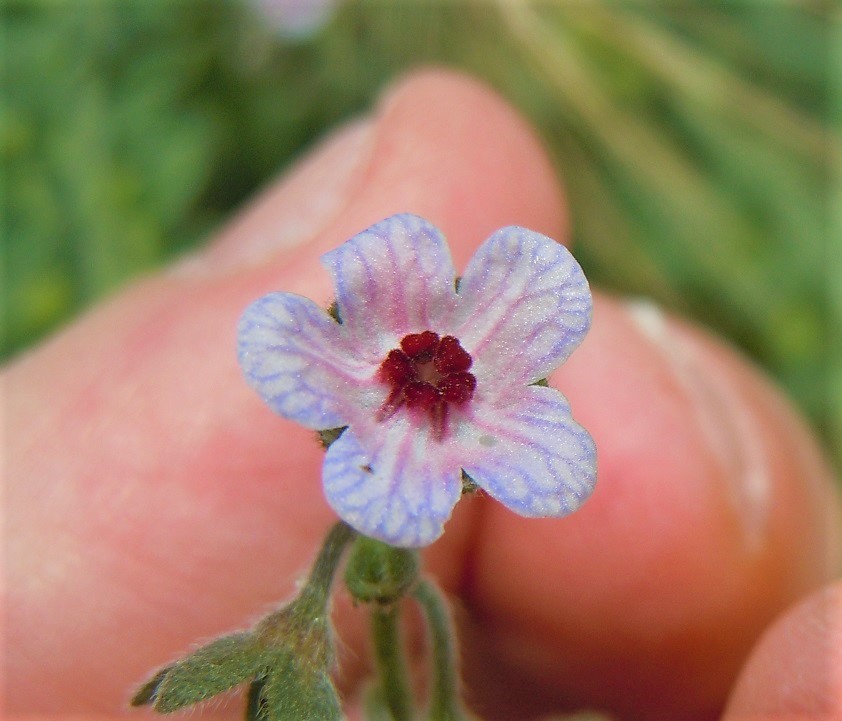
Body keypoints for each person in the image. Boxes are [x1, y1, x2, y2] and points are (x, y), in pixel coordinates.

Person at [5, 70, 840, 721]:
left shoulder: (506, 363)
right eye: (420, 359)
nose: (434, 367)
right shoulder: (365, 342)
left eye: (438, 360)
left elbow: (549, 440)